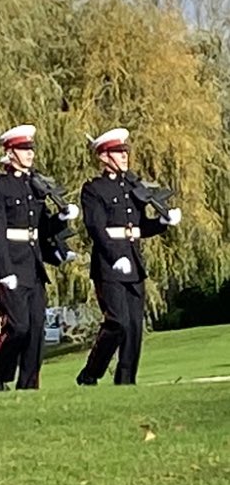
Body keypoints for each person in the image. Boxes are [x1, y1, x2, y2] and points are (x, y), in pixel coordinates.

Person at [76, 128, 181, 385]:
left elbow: (140, 226)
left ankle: (126, 382)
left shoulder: (134, 187)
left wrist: (163, 223)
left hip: (133, 260)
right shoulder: (94, 189)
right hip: (109, 264)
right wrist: (114, 256)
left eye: (125, 151)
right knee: (118, 322)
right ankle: (91, 372)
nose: (125, 156)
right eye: (118, 152)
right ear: (103, 157)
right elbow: (96, 228)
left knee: (134, 327)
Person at [0, 124, 79, 391]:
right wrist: (2, 272)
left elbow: (42, 228)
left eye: (31, 148)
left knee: (36, 330)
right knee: (18, 327)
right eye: (23, 149)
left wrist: (60, 218)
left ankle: (29, 384)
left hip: (33, 265)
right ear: (10, 153)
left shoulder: (35, 186)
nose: (29, 153)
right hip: (12, 263)